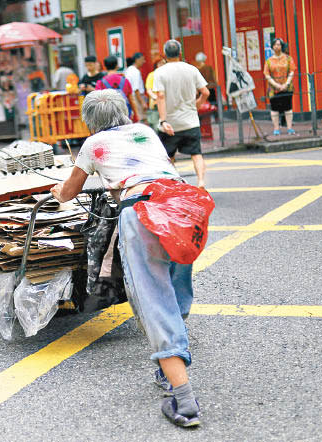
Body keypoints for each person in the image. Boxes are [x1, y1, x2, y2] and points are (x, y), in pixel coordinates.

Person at [50, 89, 202, 428]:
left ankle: (183, 397)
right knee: (176, 283)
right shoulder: (145, 131)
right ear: (125, 111)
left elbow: (69, 191)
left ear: (90, 121)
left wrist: (56, 192)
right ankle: (170, 362)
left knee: (153, 299)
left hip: (143, 211)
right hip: (184, 204)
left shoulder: (92, 144)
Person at [154, 40, 209, 188]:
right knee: (196, 154)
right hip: (191, 121)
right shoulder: (192, 69)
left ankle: (174, 184)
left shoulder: (160, 72)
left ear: (165, 55)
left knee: (168, 157)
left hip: (170, 124)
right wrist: (196, 105)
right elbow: (205, 92)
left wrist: (163, 120)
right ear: (180, 53)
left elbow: (160, 96)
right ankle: (201, 181)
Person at [263, 38, 296, 135]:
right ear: (272, 47)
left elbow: (292, 71)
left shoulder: (288, 58)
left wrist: (286, 84)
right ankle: (276, 129)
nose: (277, 46)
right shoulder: (268, 61)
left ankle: (290, 128)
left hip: (287, 87)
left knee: (288, 107)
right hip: (274, 89)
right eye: (275, 45)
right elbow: (267, 74)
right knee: (274, 108)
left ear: (282, 46)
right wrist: (276, 85)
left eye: (279, 45)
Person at [96, 55, 138, 119]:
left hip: (109, 116)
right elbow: (131, 100)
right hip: (125, 115)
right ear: (117, 66)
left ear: (105, 66)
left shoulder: (101, 83)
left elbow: (98, 102)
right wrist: (136, 115)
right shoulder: (125, 80)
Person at [145, 58, 167, 132]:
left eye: (164, 63)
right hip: (155, 105)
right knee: (155, 127)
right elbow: (149, 90)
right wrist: (155, 98)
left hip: (167, 104)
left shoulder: (168, 75)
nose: (162, 65)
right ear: (156, 65)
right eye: (160, 63)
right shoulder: (152, 75)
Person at [125, 52, 147, 120]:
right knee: (141, 118)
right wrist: (142, 102)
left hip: (132, 97)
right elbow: (136, 89)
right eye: (142, 59)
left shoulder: (129, 70)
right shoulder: (135, 71)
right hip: (137, 98)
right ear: (137, 60)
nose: (144, 62)